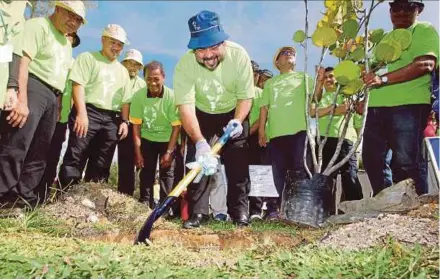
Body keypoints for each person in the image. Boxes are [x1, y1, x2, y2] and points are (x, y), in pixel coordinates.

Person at [0, 1, 86, 207]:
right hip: (32, 86)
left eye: (78, 20)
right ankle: (3, 193)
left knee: (41, 151)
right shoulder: (38, 26)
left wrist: (56, 105)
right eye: (70, 15)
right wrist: (21, 98)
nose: (73, 22)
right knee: (17, 144)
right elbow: (23, 62)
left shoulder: (66, 43)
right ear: (57, 9)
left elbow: (59, 75)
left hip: (52, 97)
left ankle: (21, 197)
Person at [174, 10, 254, 228]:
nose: (208, 54)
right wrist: (199, 142)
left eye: (213, 47)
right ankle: (198, 214)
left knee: (238, 163)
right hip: (201, 115)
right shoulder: (184, 65)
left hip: (233, 113)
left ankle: (239, 213)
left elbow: (246, 96)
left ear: (223, 42)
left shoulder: (239, 56)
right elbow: (186, 107)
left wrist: (237, 120)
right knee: (198, 164)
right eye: (201, 49)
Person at [361, 0, 439, 195]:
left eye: (409, 7)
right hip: (375, 107)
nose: (402, 12)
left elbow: (425, 64)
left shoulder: (424, 29)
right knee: (372, 160)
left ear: (419, 10)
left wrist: (383, 79)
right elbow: (371, 73)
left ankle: (414, 209)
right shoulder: (383, 39)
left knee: (406, 162)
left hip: (409, 105)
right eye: (397, 7)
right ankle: (387, 204)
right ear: (390, 11)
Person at [59, 24, 131, 188]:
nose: (116, 47)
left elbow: (126, 100)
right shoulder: (88, 58)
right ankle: (67, 194)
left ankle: (92, 199)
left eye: (120, 44)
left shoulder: (123, 71)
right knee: (76, 155)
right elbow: (78, 85)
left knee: (102, 161)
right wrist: (81, 114)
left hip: (112, 119)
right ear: (103, 40)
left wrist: (125, 122)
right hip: (88, 111)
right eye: (112, 42)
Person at [258, 46, 312, 219]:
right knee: (277, 172)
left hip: (300, 131)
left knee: (299, 169)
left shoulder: (305, 78)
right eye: (284, 53)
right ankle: (275, 209)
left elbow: (315, 98)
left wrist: (318, 84)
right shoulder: (270, 83)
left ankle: (297, 209)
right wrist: (261, 131)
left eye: (292, 53)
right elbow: (264, 109)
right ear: (277, 61)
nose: (289, 55)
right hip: (276, 134)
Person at [130, 61, 181, 211]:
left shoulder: (171, 97)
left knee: (167, 173)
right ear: (144, 78)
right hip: (147, 138)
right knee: (147, 171)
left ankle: (165, 207)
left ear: (164, 77)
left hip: (168, 139)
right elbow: (136, 126)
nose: (153, 83)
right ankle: (145, 203)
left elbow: (176, 127)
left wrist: (169, 152)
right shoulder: (139, 97)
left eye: (156, 79)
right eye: (149, 79)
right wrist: (138, 153)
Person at [36, 32, 81, 200]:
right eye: (65, 36)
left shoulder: (75, 64)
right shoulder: (49, 58)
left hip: (61, 120)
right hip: (44, 114)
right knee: (36, 154)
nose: (67, 40)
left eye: (71, 39)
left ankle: (43, 195)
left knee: (52, 157)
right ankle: (24, 194)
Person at [312, 66, 363, 201]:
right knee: (325, 178)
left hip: (345, 141)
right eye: (326, 77)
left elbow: (350, 114)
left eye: (331, 76)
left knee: (350, 176)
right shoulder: (319, 97)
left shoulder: (347, 95)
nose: (328, 80)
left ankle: (352, 211)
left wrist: (357, 146)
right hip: (323, 141)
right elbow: (311, 112)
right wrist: (334, 109)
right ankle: (325, 213)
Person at [117, 49, 146, 196]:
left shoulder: (143, 85)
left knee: (127, 160)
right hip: (112, 118)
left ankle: (125, 195)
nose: (133, 67)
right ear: (123, 63)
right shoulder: (115, 77)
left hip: (132, 123)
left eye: (136, 65)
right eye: (130, 63)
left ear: (140, 68)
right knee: (103, 155)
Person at [248, 60, 264, 220]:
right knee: (237, 175)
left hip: (254, 139)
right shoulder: (235, 93)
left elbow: (262, 116)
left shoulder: (261, 93)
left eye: (253, 73)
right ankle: (235, 209)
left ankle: (255, 211)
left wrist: (249, 131)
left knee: (256, 174)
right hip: (236, 139)